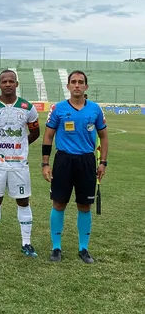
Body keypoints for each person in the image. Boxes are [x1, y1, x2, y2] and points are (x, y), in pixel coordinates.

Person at [42, 70, 108, 264]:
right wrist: (45, 163)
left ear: (86, 86)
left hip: (87, 161)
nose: (77, 85)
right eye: (73, 82)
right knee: (59, 203)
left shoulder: (95, 109)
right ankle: (56, 247)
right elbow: (48, 136)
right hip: (63, 160)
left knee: (84, 205)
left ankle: (83, 248)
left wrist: (103, 162)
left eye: (81, 82)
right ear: (68, 86)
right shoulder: (58, 109)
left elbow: (103, 137)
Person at [0, 70, 40, 257]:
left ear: (16, 84)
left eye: (11, 81)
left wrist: (20, 148)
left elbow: (35, 132)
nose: (7, 84)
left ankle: (27, 243)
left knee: (23, 200)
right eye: (4, 81)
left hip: (19, 165)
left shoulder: (27, 107)